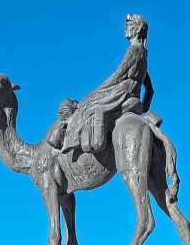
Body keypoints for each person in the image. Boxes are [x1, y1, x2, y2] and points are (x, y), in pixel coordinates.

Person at [61, 14, 153, 154]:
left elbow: (118, 75)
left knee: (90, 103)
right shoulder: (143, 54)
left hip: (123, 91)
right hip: (133, 94)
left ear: (138, 28)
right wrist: (143, 106)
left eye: (129, 25)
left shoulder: (134, 50)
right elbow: (150, 90)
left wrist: (98, 91)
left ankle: (91, 144)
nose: (125, 28)